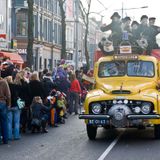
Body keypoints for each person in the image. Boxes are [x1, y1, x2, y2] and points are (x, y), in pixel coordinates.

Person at [5, 76, 21, 140]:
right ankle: (16, 136)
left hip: (9, 105)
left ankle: (9, 136)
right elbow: (17, 95)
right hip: (15, 105)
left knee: (9, 122)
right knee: (16, 122)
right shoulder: (15, 86)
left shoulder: (6, 86)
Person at [0, 77, 11, 144]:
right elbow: (8, 94)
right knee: (4, 122)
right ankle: (5, 139)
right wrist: (8, 104)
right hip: (2, 103)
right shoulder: (4, 82)